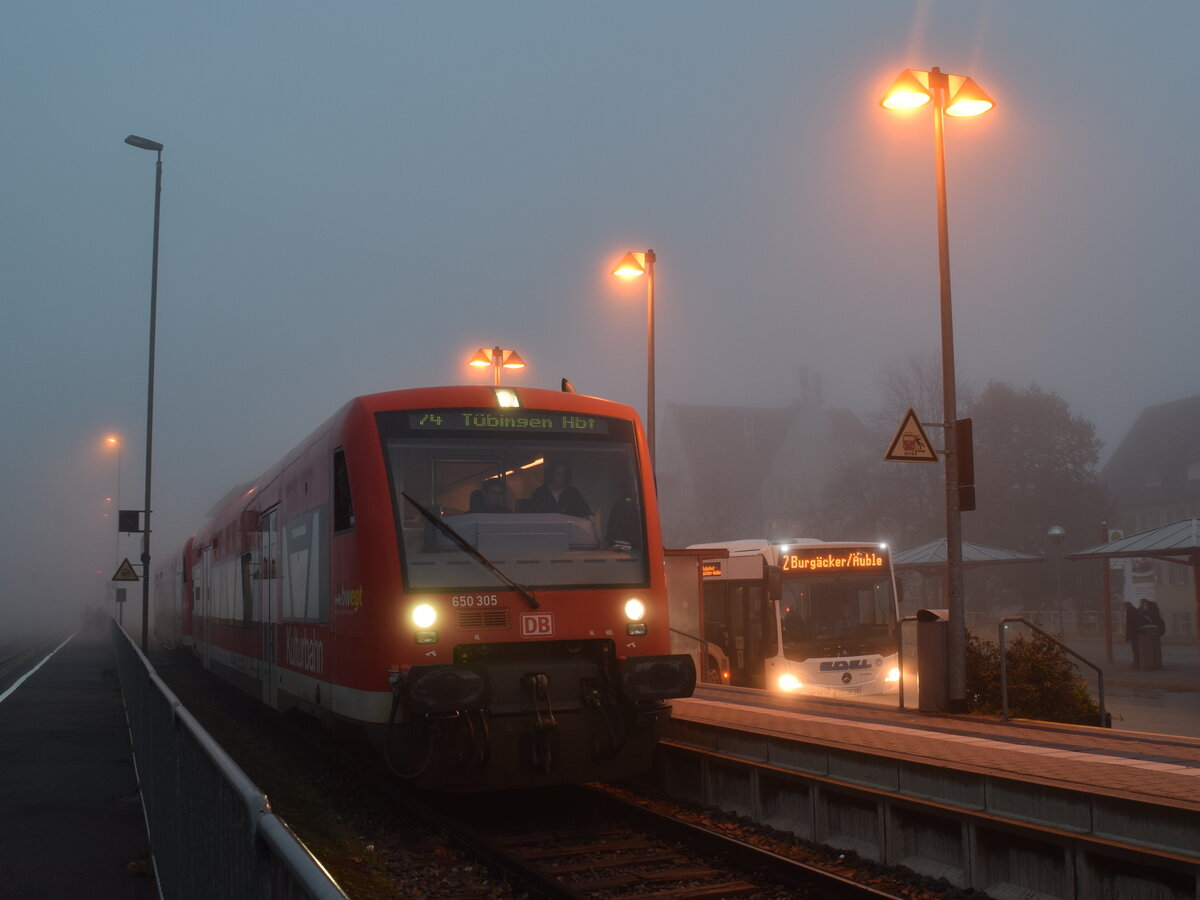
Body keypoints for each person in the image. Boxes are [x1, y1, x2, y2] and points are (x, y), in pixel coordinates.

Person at [1123, 601, 1145, 668]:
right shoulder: (1135, 611)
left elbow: (1129, 626)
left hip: (1133, 633)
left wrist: (1127, 636)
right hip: (1137, 633)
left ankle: (1136, 663)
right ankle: (1139, 662)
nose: (1124, 609)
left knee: (1135, 649)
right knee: (1137, 648)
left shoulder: (1130, 613)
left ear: (1127, 607)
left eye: (1124, 607)